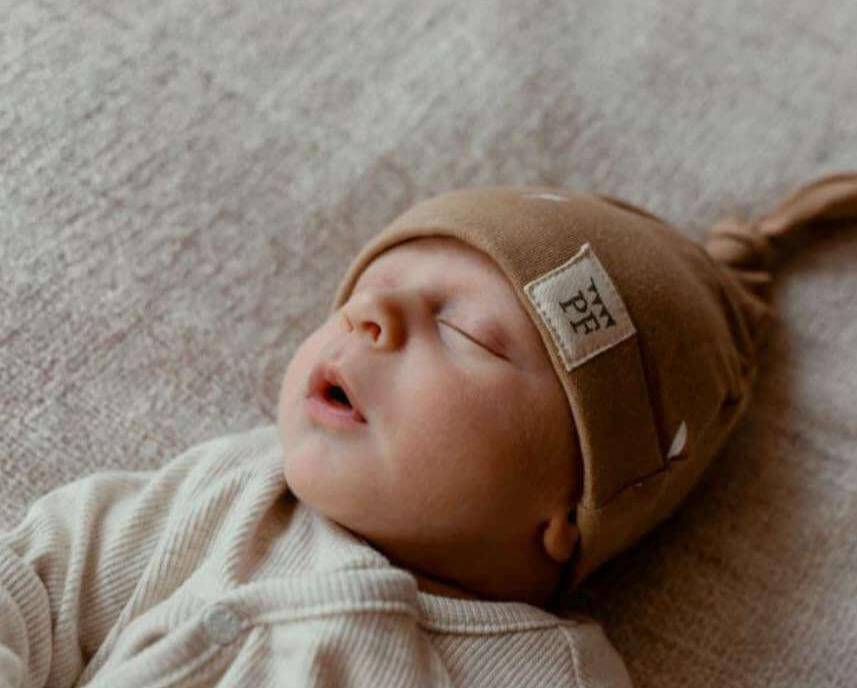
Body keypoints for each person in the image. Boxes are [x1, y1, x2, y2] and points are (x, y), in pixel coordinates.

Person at [2, 172, 855, 687]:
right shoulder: (226, 495)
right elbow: (32, 586)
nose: (366, 317)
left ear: (569, 508)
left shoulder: (546, 674)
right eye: (363, 295)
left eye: (466, 333)